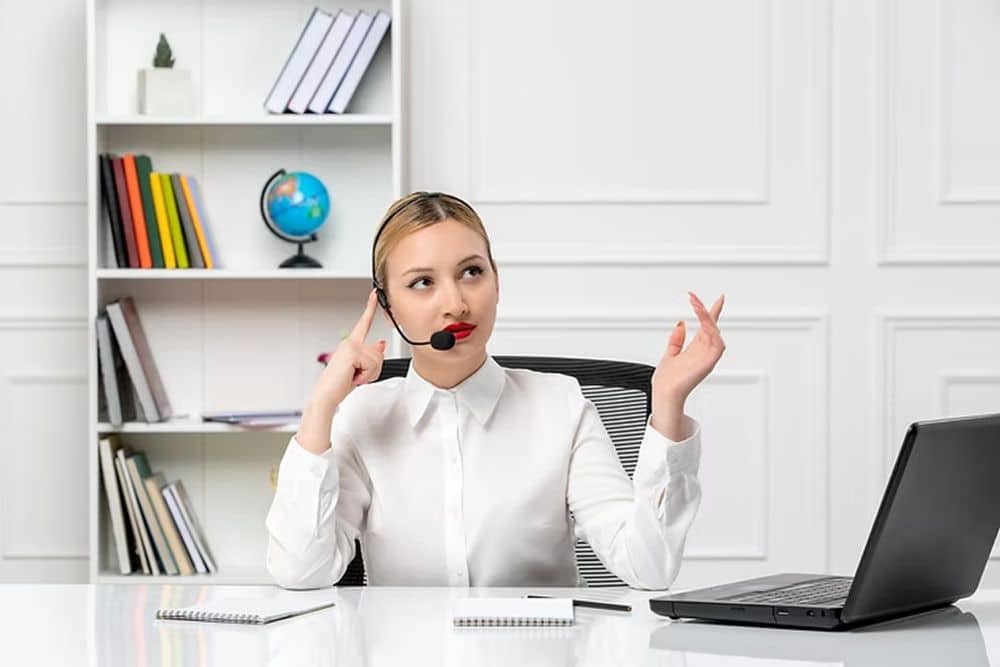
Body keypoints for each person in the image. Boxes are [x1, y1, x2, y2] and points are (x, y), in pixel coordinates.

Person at [265, 192, 726, 590]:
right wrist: (321, 408)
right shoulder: (363, 417)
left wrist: (668, 406)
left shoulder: (561, 407)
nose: (456, 303)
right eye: (422, 283)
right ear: (388, 306)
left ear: (496, 281)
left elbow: (649, 567)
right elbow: (301, 571)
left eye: (471, 272)